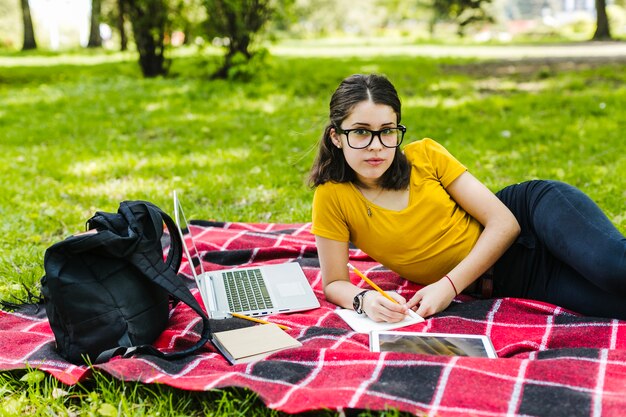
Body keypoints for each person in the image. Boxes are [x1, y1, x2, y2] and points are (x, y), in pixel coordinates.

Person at [309, 73, 626, 322]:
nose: (377, 145)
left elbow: (504, 222)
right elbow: (334, 282)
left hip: (533, 217)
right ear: (337, 136)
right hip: (520, 279)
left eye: (387, 130)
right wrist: (362, 299)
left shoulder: (425, 155)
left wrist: (448, 286)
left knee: (614, 268)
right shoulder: (333, 197)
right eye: (361, 132)